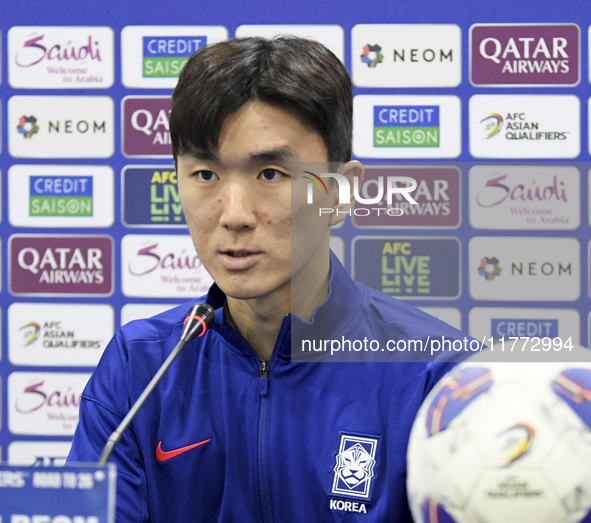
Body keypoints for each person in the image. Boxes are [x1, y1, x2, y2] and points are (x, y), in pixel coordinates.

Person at [68, 36, 472, 522]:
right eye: (204, 175)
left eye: (271, 174)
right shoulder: (140, 367)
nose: (234, 215)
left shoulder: (439, 376)